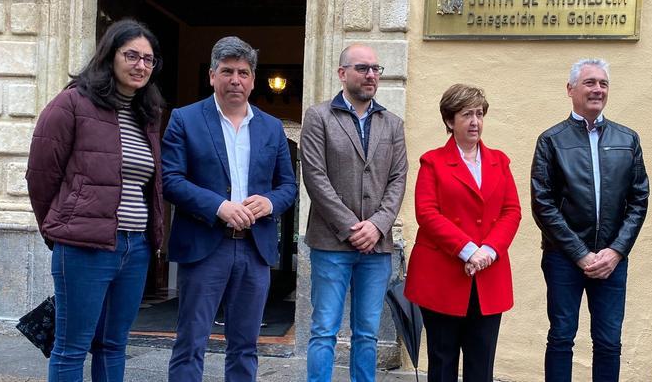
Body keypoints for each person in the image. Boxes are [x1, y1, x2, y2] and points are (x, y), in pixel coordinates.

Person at [26, 19, 165, 382]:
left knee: (114, 345)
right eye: (131, 55)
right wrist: (61, 231)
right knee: (72, 347)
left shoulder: (146, 114)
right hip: (84, 247)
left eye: (148, 60)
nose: (141, 66)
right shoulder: (71, 103)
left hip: (135, 248)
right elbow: (41, 176)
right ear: (110, 56)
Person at [163, 37, 297, 381]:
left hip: (255, 248)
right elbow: (170, 179)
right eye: (227, 71)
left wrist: (269, 202)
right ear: (212, 75)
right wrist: (218, 206)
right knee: (191, 341)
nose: (235, 79)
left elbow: (288, 186)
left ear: (253, 79)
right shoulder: (185, 119)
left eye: (243, 72)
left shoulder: (271, 127)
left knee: (245, 345)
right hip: (205, 245)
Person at [530, 58, 649, 381]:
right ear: (570, 90)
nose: (598, 89)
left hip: (612, 259)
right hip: (563, 258)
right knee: (561, 337)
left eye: (603, 83)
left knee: (609, 342)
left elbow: (639, 200)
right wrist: (580, 254)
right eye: (590, 82)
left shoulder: (628, 140)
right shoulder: (551, 140)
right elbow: (543, 204)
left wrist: (616, 251)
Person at [300, 43, 408, 382]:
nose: (371, 75)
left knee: (367, 333)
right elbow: (315, 177)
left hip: (377, 248)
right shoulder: (319, 117)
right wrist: (351, 227)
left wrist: (376, 227)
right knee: (324, 330)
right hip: (331, 244)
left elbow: (398, 179)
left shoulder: (392, 123)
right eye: (363, 68)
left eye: (376, 69)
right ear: (342, 73)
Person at [404, 84, 521, 382]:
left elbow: (512, 212)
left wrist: (488, 252)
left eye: (479, 114)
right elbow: (427, 214)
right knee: (442, 363)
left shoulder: (500, 161)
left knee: (481, 365)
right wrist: (469, 250)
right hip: (442, 275)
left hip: (488, 275)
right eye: (467, 114)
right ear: (449, 121)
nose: (475, 122)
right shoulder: (432, 162)